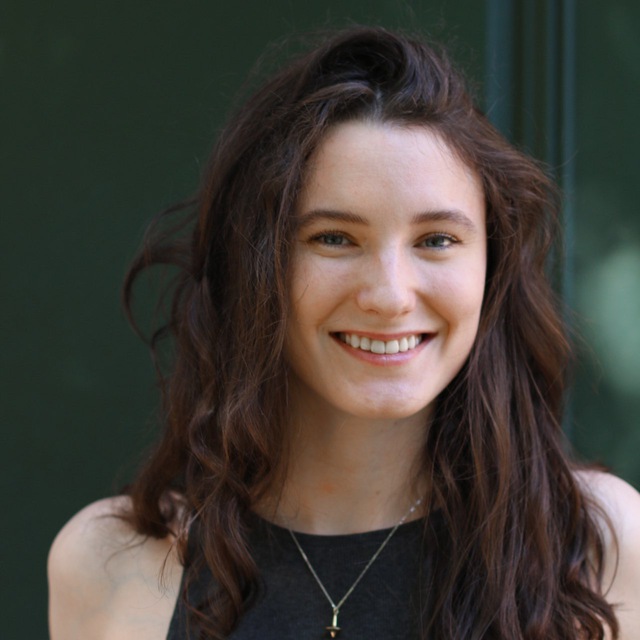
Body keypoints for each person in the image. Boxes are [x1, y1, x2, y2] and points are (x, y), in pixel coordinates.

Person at [48, 26, 640, 639]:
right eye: (334, 238)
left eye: (437, 240)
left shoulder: (601, 549)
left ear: (491, 267)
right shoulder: (111, 565)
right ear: (253, 265)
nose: (390, 296)